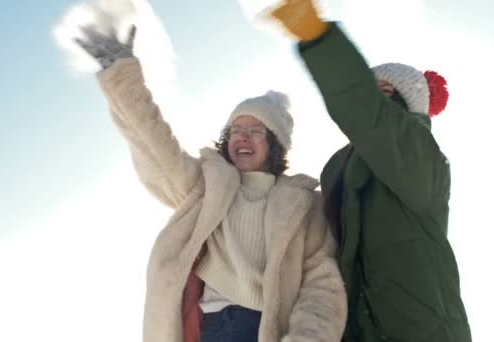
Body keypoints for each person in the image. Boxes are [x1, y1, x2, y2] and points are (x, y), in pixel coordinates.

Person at [73, 24, 347, 342]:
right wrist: (122, 75)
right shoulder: (209, 185)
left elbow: (322, 283)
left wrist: (308, 336)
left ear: (276, 144)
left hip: (268, 328)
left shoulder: (304, 204)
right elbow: (155, 143)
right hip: (213, 327)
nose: (243, 136)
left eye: (257, 130)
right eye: (235, 129)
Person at [269, 1, 472, 341]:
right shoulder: (344, 168)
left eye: (384, 95)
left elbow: (369, 115)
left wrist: (320, 40)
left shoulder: (419, 157)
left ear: (405, 106)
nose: (371, 103)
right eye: (370, 93)